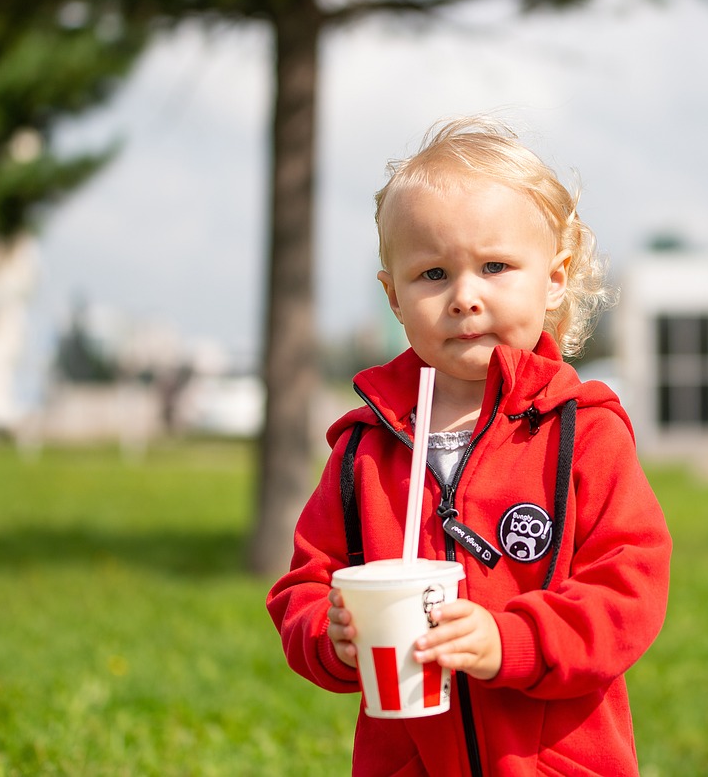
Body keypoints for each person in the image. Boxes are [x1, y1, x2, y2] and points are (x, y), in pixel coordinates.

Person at [266, 116, 673, 776]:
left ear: (554, 278)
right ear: (393, 295)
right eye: (432, 274)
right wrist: (329, 636)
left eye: (494, 266)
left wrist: (509, 640)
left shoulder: (583, 431)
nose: (464, 297)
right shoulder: (366, 448)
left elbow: (628, 585)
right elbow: (306, 583)